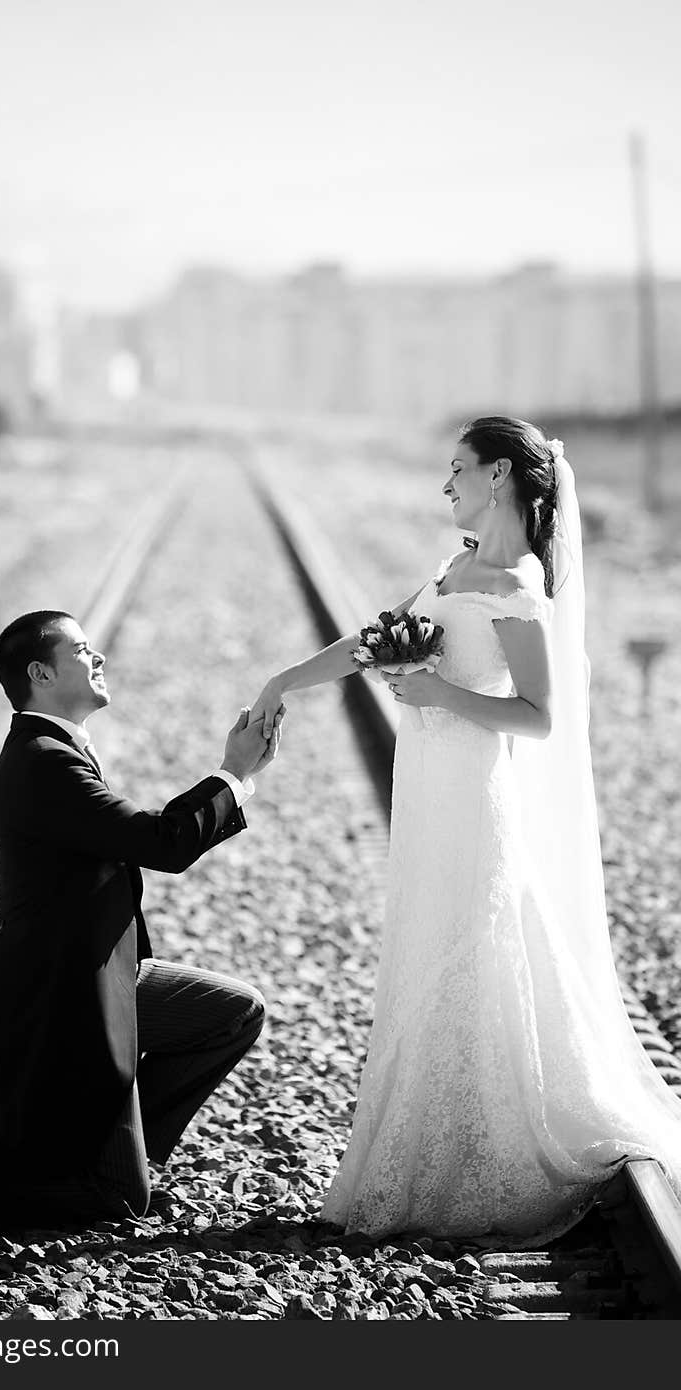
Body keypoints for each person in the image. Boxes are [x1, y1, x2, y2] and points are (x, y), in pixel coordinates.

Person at [250, 416, 681, 1247]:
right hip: (429, 794)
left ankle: (471, 1157)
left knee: (473, 957)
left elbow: (541, 717)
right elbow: (372, 643)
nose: (445, 485)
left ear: (501, 478)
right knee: (432, 951)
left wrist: (441, 697)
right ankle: (429, 1145)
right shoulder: (456, 568)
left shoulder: (517, 586)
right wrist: (285, 682)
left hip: (475, 798)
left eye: (458, 469)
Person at [0, 610, 281, 1232]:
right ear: (40, 672)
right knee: (105, 1204)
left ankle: (130, 1159)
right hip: (63, 996)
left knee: (231, 1012)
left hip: (102, 975)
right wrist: (233, 775)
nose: (100, 657)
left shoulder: (54, 749)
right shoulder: (42, 759)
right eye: (83, 650)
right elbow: (161, 843)